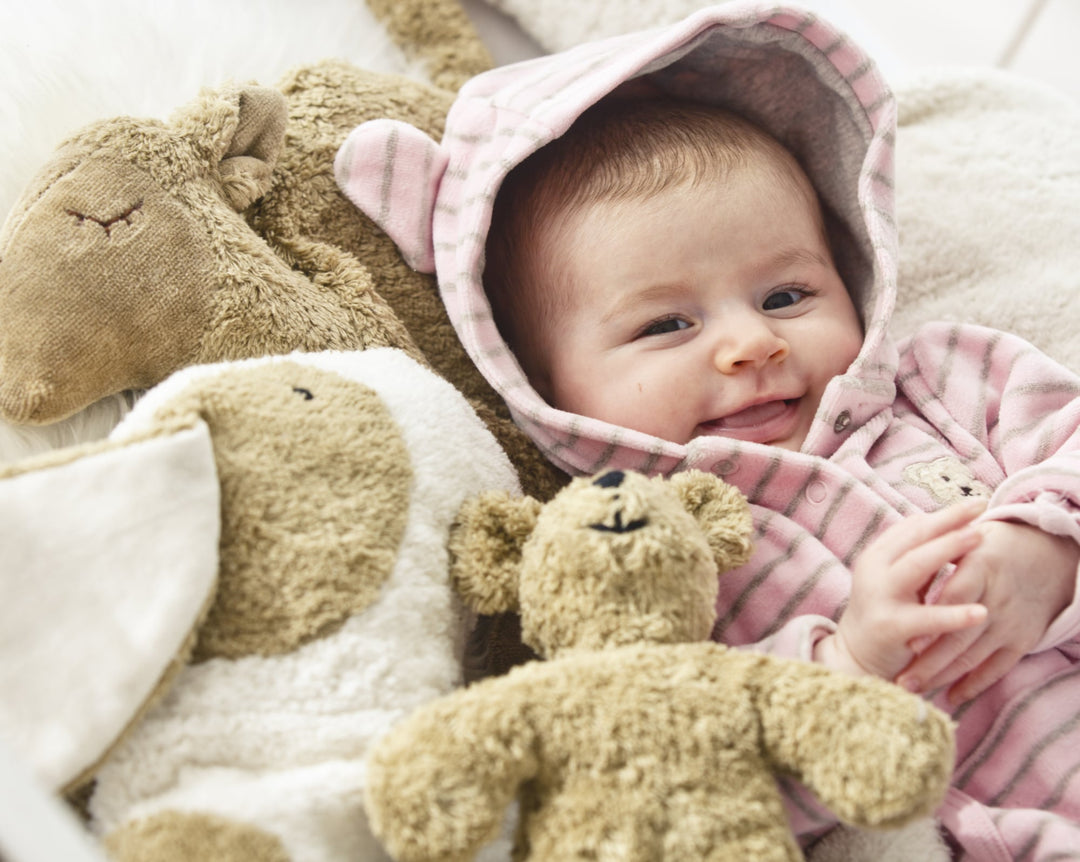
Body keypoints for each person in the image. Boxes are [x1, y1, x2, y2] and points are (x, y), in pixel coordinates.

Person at [336, 5, 1080, 857]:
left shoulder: (948, 378)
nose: (750, 343)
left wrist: (1046, 552)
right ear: (537, 381)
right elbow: (689, 778)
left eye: (786, 296)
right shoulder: (636, 556)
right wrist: (855, 668)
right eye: (666, 326)